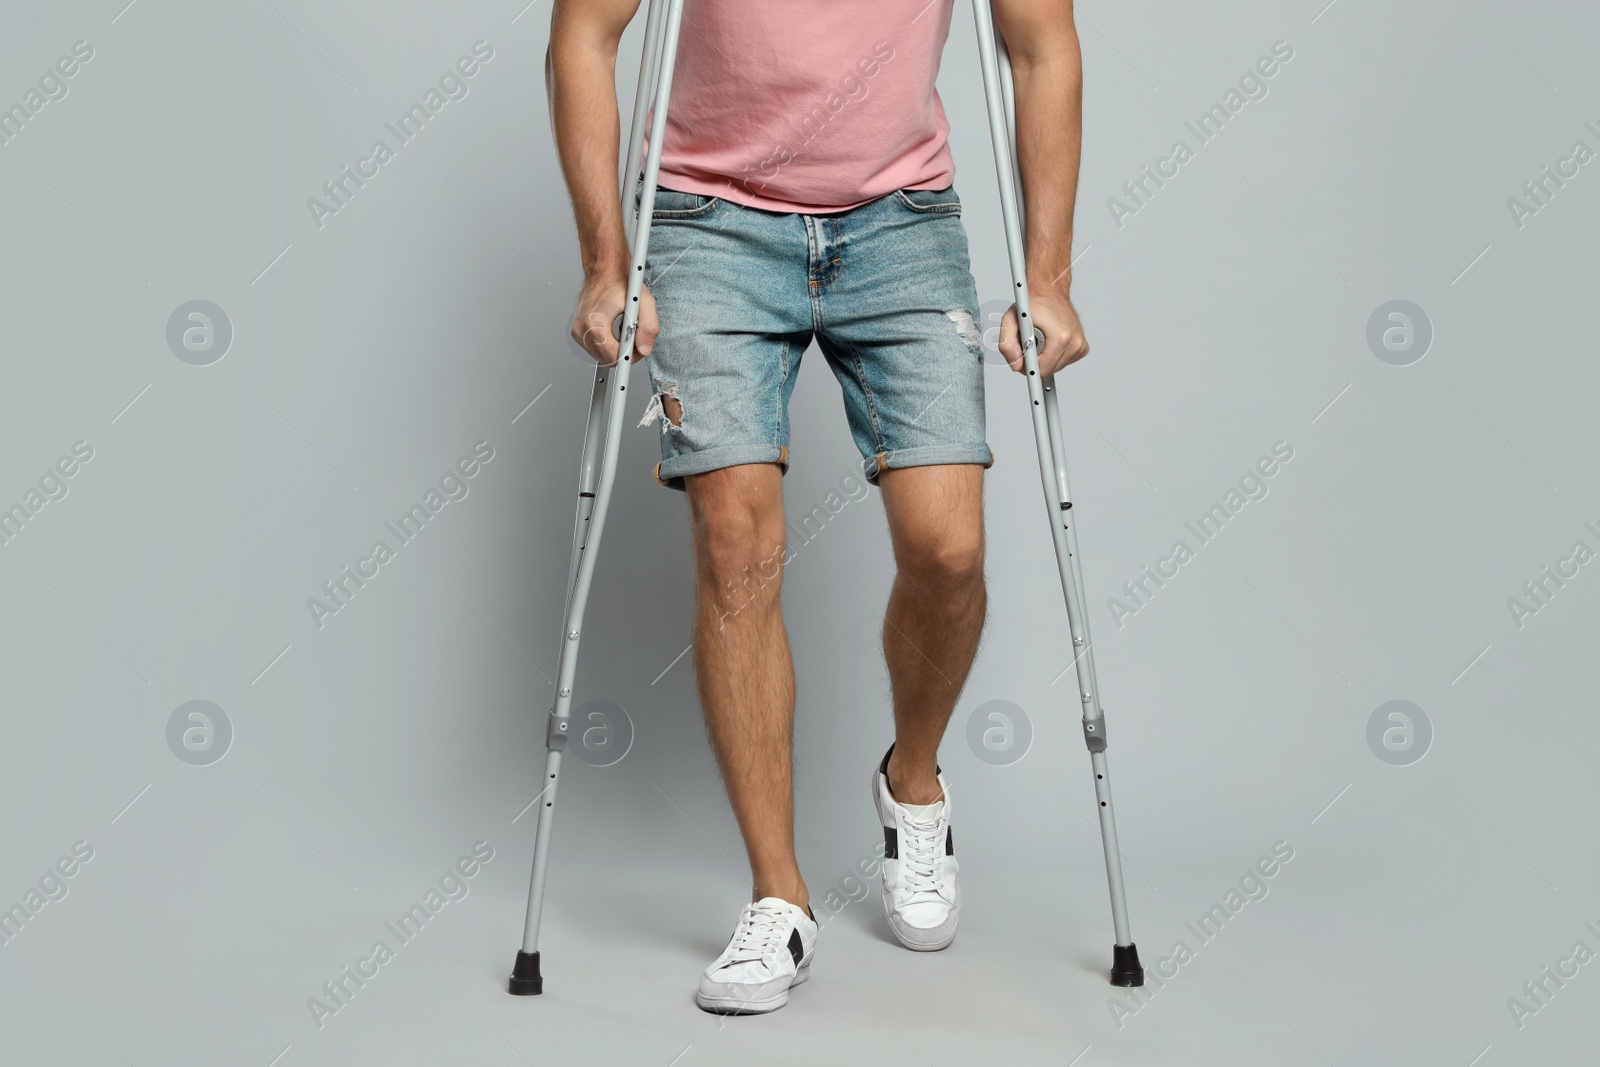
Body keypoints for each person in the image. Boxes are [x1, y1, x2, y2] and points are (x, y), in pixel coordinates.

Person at [547, 0, 1088, 1014]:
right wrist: (604, 266)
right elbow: (584, 33)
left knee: (948, 547)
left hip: (900, 223)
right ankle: (778, 895)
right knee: (735, 542)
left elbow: (1040, 43)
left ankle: (914, 780)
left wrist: (1049, 279)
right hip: (708, 223)